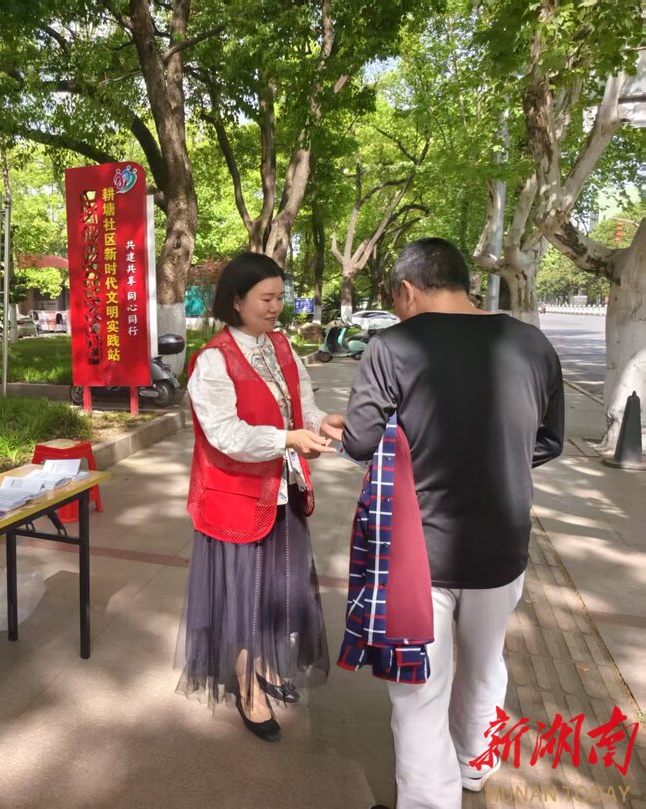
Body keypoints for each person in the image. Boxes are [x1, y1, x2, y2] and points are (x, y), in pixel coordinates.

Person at [342, 238, 564, 808]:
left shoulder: (392, 347)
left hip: (418, 551)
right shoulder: (532, 343)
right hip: (503, 544)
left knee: (418, 688)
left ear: (407, 290)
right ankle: (473, 765)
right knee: (485, 666)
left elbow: (360, 440)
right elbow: (548, 441)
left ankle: (429, 800)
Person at [176, 252, 343, 742]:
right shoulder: (213, 360)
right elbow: (225, 434)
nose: (275, 307)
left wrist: (322, 423)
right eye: (265, 299)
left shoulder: (281, 346)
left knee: (275, 593)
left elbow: (301, 405)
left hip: (281, 491)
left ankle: (264, 667)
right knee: (245, 599)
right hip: (236, 499)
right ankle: (248, 688)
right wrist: (287, 438)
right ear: (237, 301)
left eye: (278, 298)